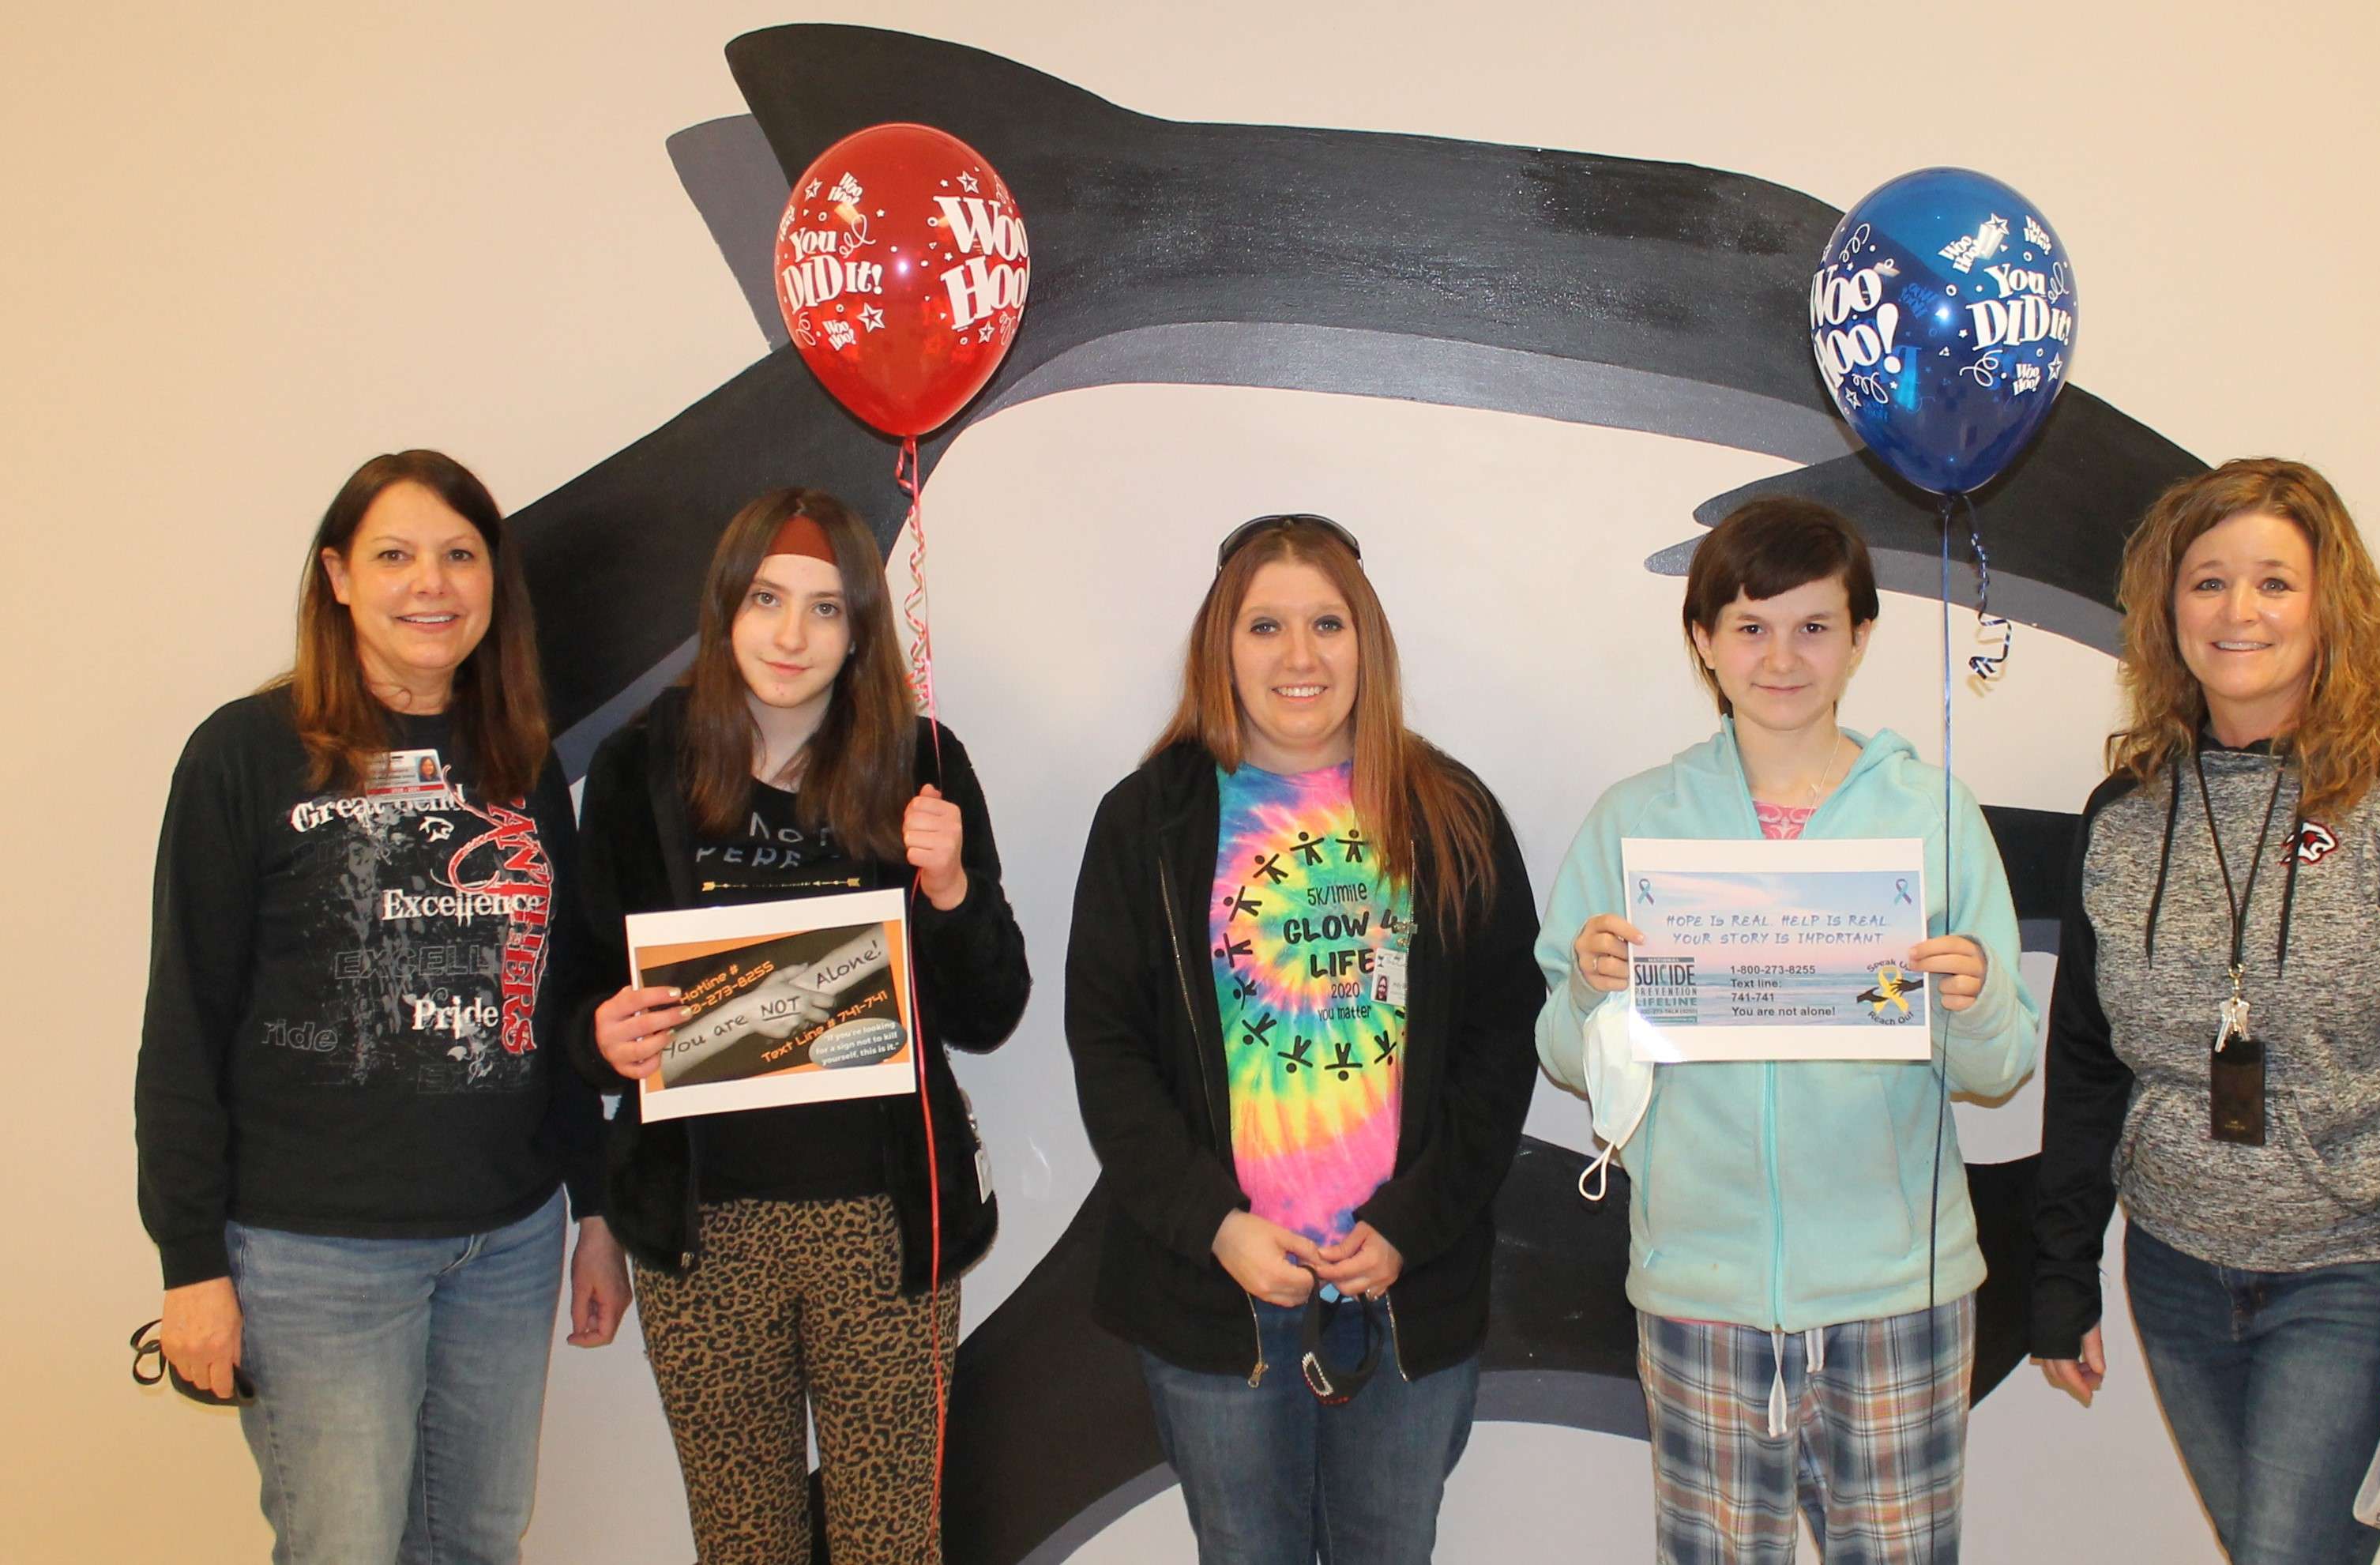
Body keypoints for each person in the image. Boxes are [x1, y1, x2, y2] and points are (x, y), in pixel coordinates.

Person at [135, 449, 626, 1564]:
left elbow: (555, 1008)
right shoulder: (246, 754)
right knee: (345, 1548)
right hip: (317, 1255)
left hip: (506, 1239)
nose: (432, 584)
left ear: (493, 581)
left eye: (459, 555)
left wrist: (595, 1212)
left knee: (476, 1544)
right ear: (339, 577)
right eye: (396, 555)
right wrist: (189, 1264)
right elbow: (183, 1029)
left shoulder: (522, 762)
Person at [1534, 495, 2040, 1564]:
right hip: (1700, 1296)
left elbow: (2000, 1066)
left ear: (1860, 636)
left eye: (1814, 626)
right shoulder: (1637, 819)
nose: (1782, 656)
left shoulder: (1933, 813)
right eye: (1750, 626)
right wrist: (1588, 989)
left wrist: (1975, 996)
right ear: (1703, 642)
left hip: (1899, 1295)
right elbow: (1565, 1052)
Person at [2029, 457, 2380, 1563]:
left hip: (2357, 1264)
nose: (2238, 611)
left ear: (2329, 603)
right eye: (2206, 582)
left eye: (2274, 583)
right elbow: (2089, 1058)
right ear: (2167, 610)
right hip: (2179, 1265)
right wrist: (2061, 1272)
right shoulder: (2125, 814)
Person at [1063, 513, 1543, 1563]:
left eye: (1327, 622)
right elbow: (1109, 1051)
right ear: (1219, 647)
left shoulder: (1449, 811)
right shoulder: (1147, 823)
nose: (1299, 655)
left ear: (1366, 639)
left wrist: (1411, 1222)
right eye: (1264, 624)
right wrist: (1215, 1223)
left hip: (1405, 1291)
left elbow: (1501, 1044)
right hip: (1218, 1296)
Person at [576, 488, 1028, 1565]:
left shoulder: (918, 760)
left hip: (881, 1225)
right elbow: (578, 993)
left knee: (890, 1548)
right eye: (769, 599)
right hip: (704, 1230)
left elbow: (991, 1007)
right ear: (724, 605)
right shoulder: (645, 768)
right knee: (744, 1546)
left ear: (863, 626)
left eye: (827, 609)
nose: (791, 634)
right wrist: (604, 1033)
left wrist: (954, 883)